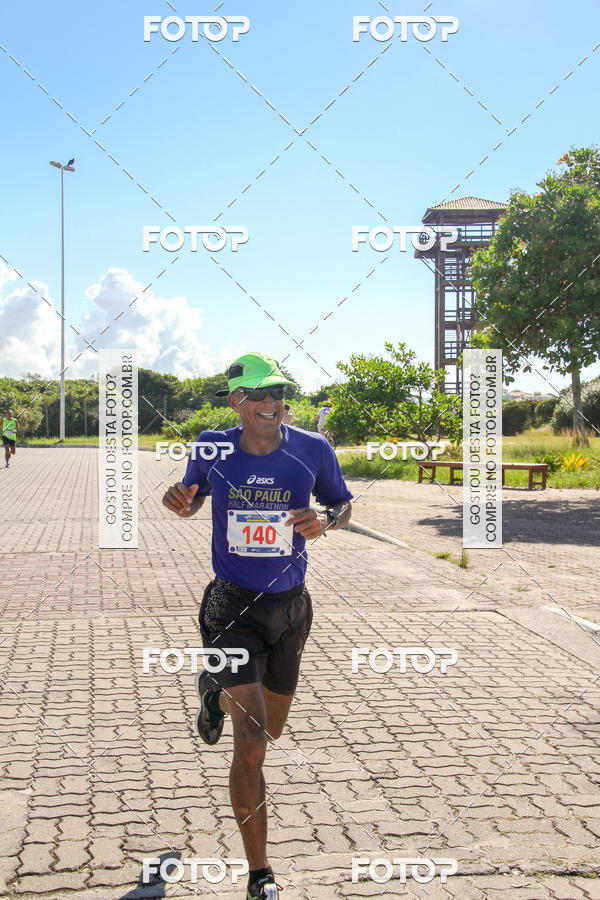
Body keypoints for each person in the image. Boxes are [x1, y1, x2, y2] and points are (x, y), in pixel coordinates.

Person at [162, 352, 352, 900]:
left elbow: (343, 507)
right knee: (250, 743)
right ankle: (259, 875)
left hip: (291, 609)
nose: (273, 403)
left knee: (270, 730)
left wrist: (326, 522)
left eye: (279, 394)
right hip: (231, 606)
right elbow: (189, 501)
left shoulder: (313, 448)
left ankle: (211, 693)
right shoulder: (212, 446)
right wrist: (180, 502)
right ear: (236, 401)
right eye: (261, 394)